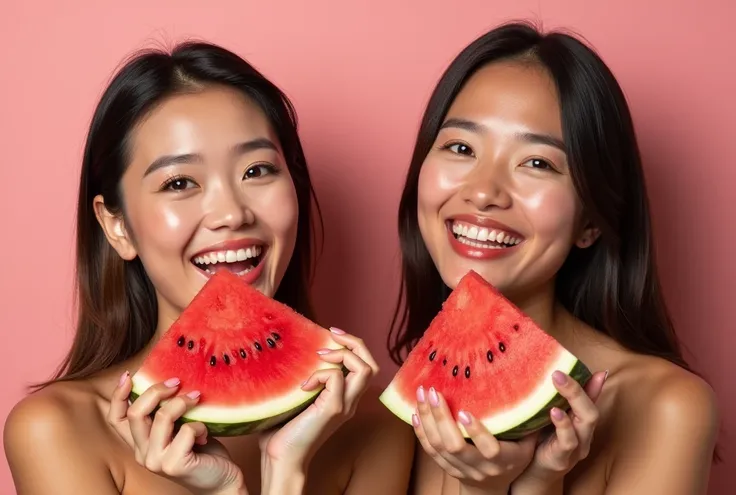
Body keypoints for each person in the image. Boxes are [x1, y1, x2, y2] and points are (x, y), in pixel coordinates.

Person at [3, 41, 414, 494]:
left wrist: (284, 471)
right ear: (117, 226)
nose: (231, 213)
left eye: (257, 171)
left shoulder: (377, 429)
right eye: (180, 182)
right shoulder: (57, 430)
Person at [387, 21, 720, 495]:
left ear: (590, 221)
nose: (483, 192)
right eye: (461, 147)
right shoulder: (399, 404)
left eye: (538, 163)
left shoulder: (668, 407)